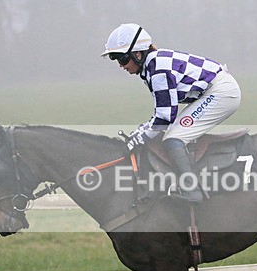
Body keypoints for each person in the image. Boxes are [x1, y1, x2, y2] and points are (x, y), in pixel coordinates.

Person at [101, 23, 242, 203]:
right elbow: (162, 113)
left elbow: (165, 117)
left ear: (137, 54)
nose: (121, 65)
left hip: (221, 93)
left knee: (173, 138)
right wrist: (142, 132)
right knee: (172, 133)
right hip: (215, 90)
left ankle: (192, 191)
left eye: (121, 59)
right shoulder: (152, 64)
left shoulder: (157, 69)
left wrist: (141, 136)